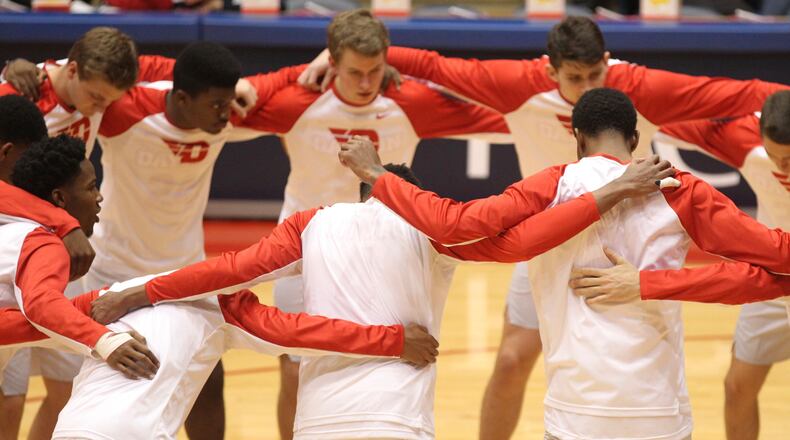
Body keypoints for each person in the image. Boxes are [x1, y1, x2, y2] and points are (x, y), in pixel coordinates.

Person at [296, 16, 790, 438]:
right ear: (636, 136)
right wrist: (650, 280)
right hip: (657, 410)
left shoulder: (547, 191)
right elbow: (778, 261)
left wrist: (380, 179)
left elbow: (456, 226)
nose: (587, 81)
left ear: (575, 138)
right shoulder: (680, 188)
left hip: (571, 398)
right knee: (511, 360)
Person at [246, 9, 509, 438]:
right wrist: (294, 73)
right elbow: (222, 109)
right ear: (330, 63)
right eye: (355, 73)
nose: (367, 84)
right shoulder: (297, 103)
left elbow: (506, 116)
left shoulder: (411, 103)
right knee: (295, 372)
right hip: (304, 253)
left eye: (375, 71)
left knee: (393, 366)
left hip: (385, 252)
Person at [572, 90, 790, 440]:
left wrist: (647, 284)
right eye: (775, 157)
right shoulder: (743, 144)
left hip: (774, 263)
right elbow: (674, 113)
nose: (782, 170)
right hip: (769, 268)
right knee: (738, 386)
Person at [0, 134, 162, 439]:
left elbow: (32, 318)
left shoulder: (16, 229)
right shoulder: (42, 242)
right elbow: (42, 307)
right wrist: (104, 340)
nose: (99, 197)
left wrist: (94, 313)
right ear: (60, 199)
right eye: (91, 187)